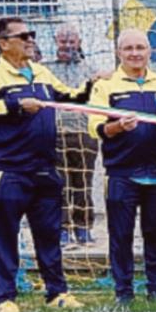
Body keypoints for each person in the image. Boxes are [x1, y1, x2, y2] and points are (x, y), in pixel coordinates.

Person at [0, 16, 87, 312]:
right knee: (5, 233)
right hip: (10, 170)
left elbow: (68, 96)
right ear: (4, 44)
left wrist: (94, 85)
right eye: (23, 36)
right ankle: (5, 297)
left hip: (45, 167)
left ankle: (57, 292)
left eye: (32, 34)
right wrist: (14, 106)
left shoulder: (41, 72)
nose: (31, 40)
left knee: (49, 232)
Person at [87, 29, 156, 307]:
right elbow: (95, 127)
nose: (135, 53)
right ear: (119, 53)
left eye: (140, 48)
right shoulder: (106, 85)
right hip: (121, 174)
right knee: (121, 235)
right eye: (128, 48)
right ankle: (123, 290)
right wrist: (117, 126)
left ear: (149, 51)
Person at [49, 24, 107, 246]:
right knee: (60, 185)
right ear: (56, 42)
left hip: (84, 134)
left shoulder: (91, 71)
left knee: (82, 183)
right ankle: (63, 229)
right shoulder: (47, 70)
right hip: (57, 133)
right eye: (63, 41)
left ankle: (83, 228)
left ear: (79, 42)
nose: (67, 46)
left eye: (71, 41)